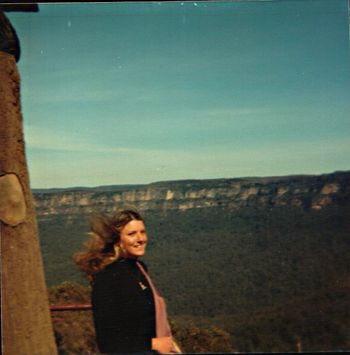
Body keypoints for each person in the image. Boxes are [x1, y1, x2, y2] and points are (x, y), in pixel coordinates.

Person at [74, 209, 181, 354]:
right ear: (117, 241)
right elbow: (108, 342)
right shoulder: (107, 278)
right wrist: (153, 344)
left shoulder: (139, 268)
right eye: (132, 234)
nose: (140, 239)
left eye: (142, 232)